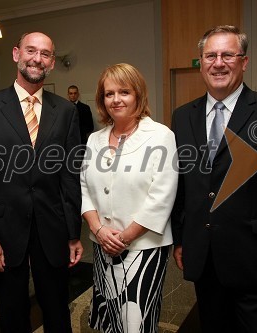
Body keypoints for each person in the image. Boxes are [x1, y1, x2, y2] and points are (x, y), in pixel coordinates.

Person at [171, 25, 257, 332]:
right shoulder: (182, 116)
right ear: (201, 62)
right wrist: (181, 239)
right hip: (204, 257)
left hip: (256, 258)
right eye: (211, 55)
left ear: (243, 61)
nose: (219, 63)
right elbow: (183, 185)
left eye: (228, 54)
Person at [0, 31, 83, 333]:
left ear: (52, 62)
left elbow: (70, 176)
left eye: (45, 54)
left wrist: (73, 233)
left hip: (52, 228)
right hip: (4, 232)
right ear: (17, 54)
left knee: (57, 309)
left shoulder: (66, 111)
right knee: (12, 313)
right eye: (31, 51)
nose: (37, 59)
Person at [81, 63, 178, 332]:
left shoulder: (160, 136)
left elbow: (162, 196)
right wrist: (99, 230)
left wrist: (124, 238)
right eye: (108, 94)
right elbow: (84, 189)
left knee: (136, 321)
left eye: (124, 92)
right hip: (102, 246)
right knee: (108, 316)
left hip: (143, 248)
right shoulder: (95, 140)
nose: (116, 99)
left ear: (138, 95)